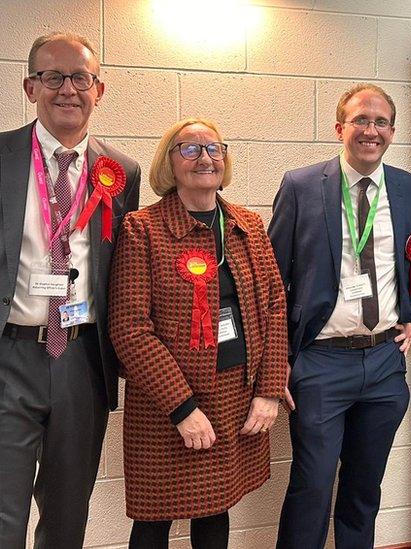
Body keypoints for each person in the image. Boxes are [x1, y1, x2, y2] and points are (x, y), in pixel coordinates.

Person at [0, 32, 140, 547]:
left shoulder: (121, 173)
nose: (67, 89)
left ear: (100, 89)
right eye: (53, 77)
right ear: (31, 87)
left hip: (80, 362)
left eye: (80, 78)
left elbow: (117, 270)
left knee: (68, 518)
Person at [108, 117, 288, 548]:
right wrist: (183, 408)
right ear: (170, 162)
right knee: (154, 521)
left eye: (214, 149)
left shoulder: (248, 225)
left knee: (215, 510)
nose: (205, 158)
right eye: (189, 149)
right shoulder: (142, 229)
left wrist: (269, 390)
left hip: (234, 398)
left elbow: (275, 308)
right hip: (165, 407)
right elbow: (130, 328)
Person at [269, 83, 411, 549]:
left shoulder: (410, 189)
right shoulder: (301, 185)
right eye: (360, 120)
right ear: (340, 128)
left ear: (392, 132)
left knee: (364, 489)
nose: (370, 130)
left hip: (383, 363)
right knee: (312, 486)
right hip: (319, 363)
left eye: (380, 122)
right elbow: (274, 279)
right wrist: (276, 358)